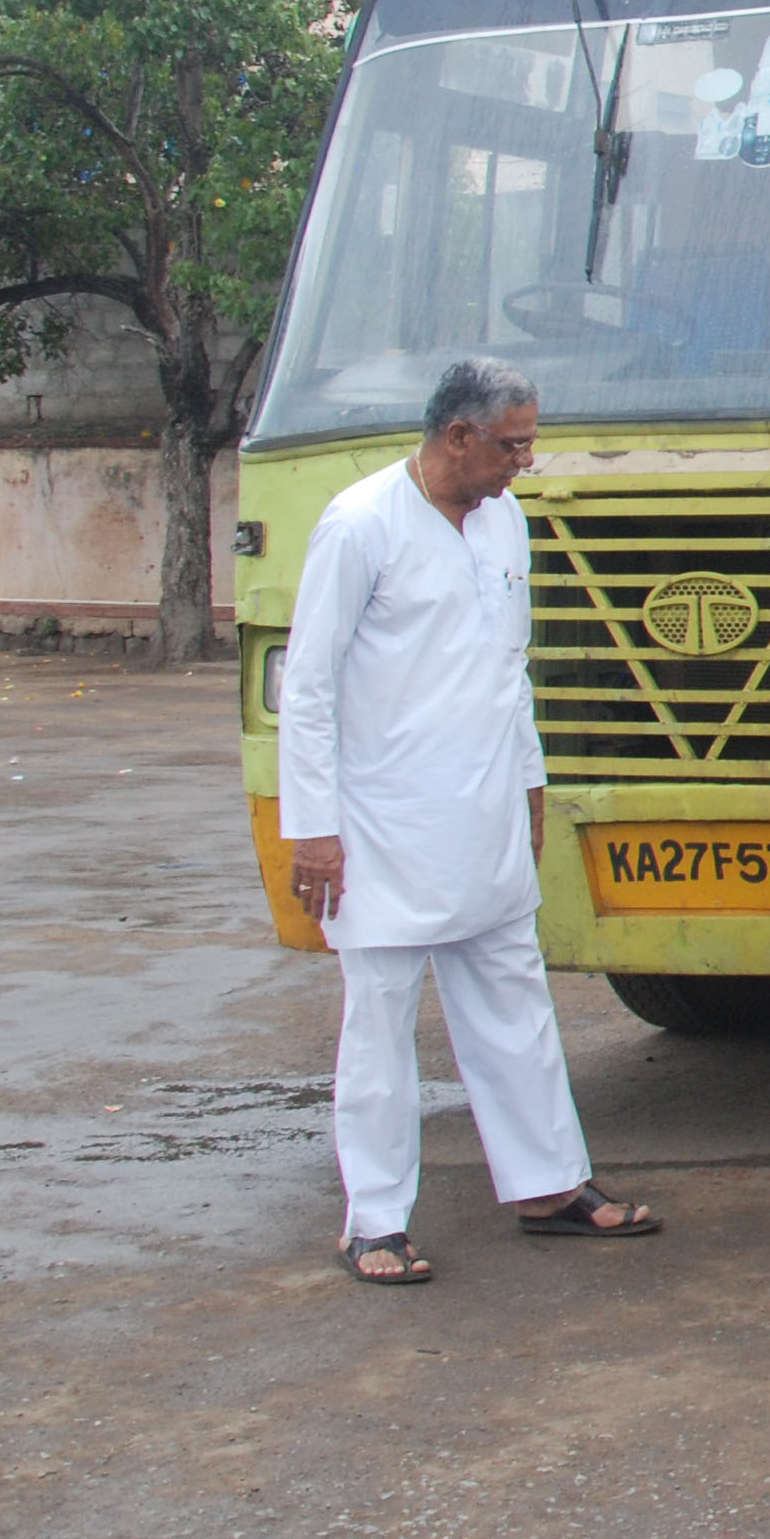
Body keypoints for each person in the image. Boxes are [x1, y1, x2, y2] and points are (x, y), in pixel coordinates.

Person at [281, 358, 658, 1286]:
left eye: (529, 443)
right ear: (457, 437)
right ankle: (373, 1219)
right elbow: (309, 689)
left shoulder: (504, 524)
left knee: (515, 1004)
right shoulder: (361, 524)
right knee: (379, 1021)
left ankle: (548, 1186)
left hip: (486, 810)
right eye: (512, 444)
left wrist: (529, 787)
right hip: (381, 822)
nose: (524, 463)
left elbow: (506, 668)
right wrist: (312, 828)